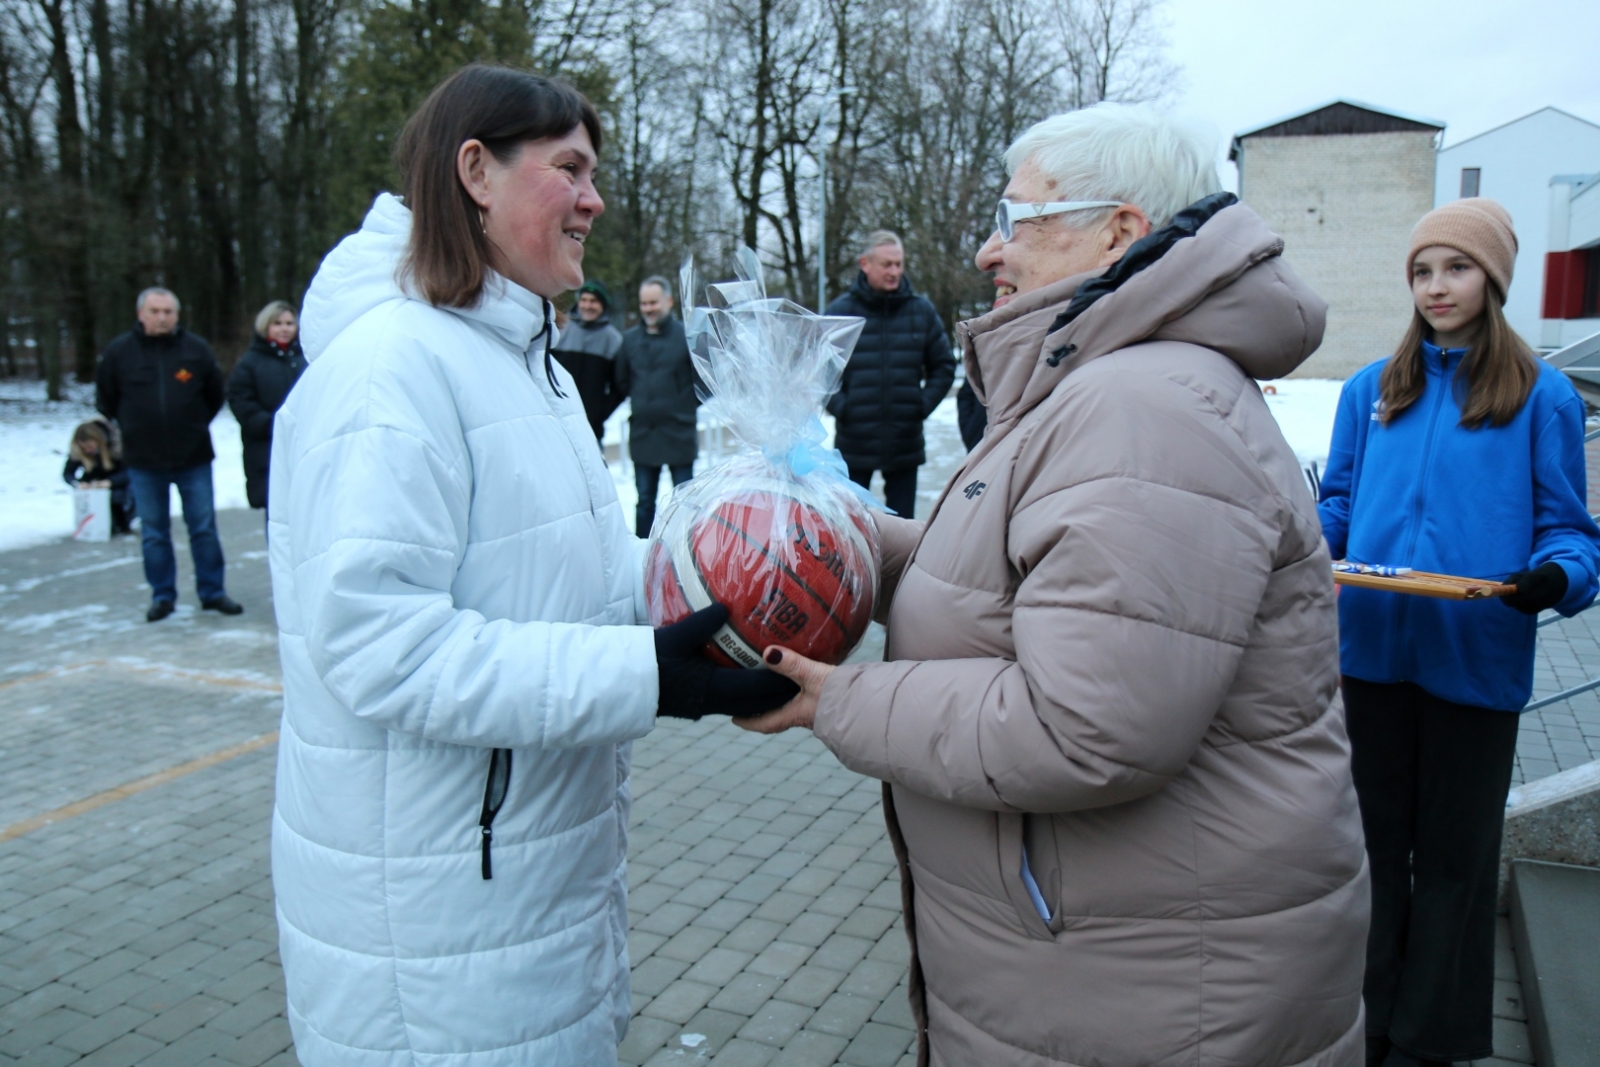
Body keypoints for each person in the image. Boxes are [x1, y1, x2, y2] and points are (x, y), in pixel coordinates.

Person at [746, 103, 1369, 1066]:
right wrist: (850, 539)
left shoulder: (1144, 406)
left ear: (1120, 229)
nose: (993, 250)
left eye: (1018, 217)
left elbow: (1087, 726)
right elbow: (1020, 580)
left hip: (1152, 987)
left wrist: (843, 698)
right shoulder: (1103, 383)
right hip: (1115, 957)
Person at [268, 65, 792, 1067]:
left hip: (521, 887)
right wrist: (647, 675)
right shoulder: (394, 370)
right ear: (475, 170)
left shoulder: (515, 355)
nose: (594, 197)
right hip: (434, 927)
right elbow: (382, 646)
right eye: (569, 168)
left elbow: (567, 565)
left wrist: (742, 559)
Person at [1317, 199, 1600, 1067]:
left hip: (1476, 664)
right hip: (1369, 658)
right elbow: (1336, 505)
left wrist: (1553, 579)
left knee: (1454, 864)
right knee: (1369, 852)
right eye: (1421, 271)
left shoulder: (1542, 395)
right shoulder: (1372, 389)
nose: (1437, 287)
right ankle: (1364, 1019)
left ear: (1494, 280)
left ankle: (1430, 1038)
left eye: (1457, 268)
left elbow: (1570, 531)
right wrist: (1299, 549)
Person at [95, 287, 241, 621]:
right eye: (155, 311)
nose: (162, 318)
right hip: (144, 462)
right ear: (141, 314)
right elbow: (106, 398)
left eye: (168, 312)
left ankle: (213, 592)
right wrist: (135, 427)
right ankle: (162, 596)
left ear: (177, 315)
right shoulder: (119, 352)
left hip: (193, 457)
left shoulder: (196, 350)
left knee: (203, 528)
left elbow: (215, 395)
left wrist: (190, 425)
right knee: (155, 532)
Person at [824, 231, 955, 517]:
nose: (894, 271)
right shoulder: (840, 313)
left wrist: (920, 406)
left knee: (903, 530)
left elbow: (944, 365)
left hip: (904, 443)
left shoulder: (920, 311)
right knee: (850, 528)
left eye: (899, 264)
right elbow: (819, 371)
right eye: (887, 264)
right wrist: (843, 408)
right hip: (854, 444)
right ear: (865, 263)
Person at [616, 275, 699, 535]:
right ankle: (643, 552)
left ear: (669, 301)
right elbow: (621, 379)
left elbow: (703, 381)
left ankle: (685, 548)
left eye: (653, 302)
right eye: (644, 304)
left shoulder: (687, 336)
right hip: (644, 434)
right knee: (644, 503)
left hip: (679, 432)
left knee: (685, 502)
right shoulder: (629, 340)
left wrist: (682, 404)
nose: (648, 309)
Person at [227, 300, 306, 523]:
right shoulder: (250, 363)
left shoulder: (306, 360)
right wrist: (269, 424)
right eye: (277, 323)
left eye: (289, 323)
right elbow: (240, 399)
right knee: (278, 518)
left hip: (304, 444)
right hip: (266, 448)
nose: (284, 328)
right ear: (266, 326)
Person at [551, 279, 625, 439]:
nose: (587, 306)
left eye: (593, 301)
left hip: (591, 427)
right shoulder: (561, 329)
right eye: (583, 300)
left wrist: (600, 412)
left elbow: (620, 386)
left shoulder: (613, 340)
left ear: (603, 304)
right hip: (556, 423)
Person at [61, 416, 133, 534]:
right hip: (95, 481)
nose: (87, 451)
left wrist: (111, 482)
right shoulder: (80, 451)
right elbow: (67, 473)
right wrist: (78, 483)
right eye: (83, 448)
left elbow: (130, 472)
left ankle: (122, 521)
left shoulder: (117, 446)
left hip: (119, 481)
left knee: (120, 496)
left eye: (90, 447)